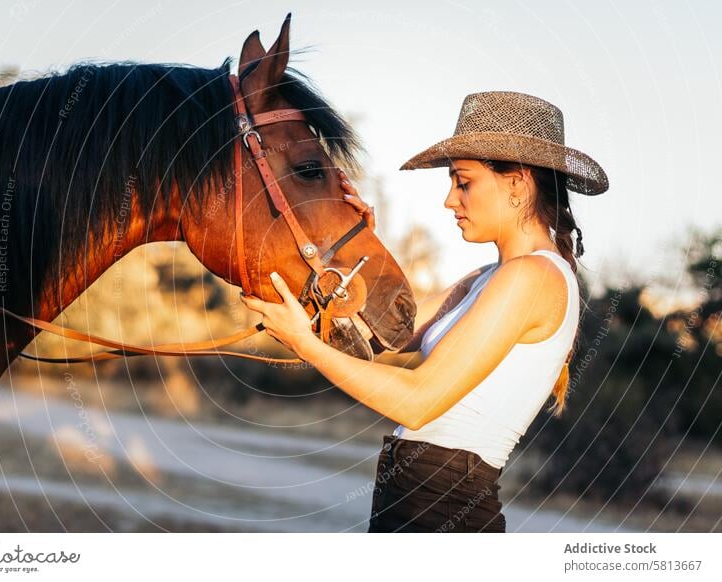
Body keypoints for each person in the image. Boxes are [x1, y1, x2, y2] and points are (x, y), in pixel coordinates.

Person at [241, 90, 609, 532]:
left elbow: (417, 403)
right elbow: (381, 336)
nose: (450, 200)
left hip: (443, 510)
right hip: (423, 505)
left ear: (517, 183)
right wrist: (354, 241)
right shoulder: (487, 278)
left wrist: (304, 343)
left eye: (463, 182)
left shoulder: (531, 279)